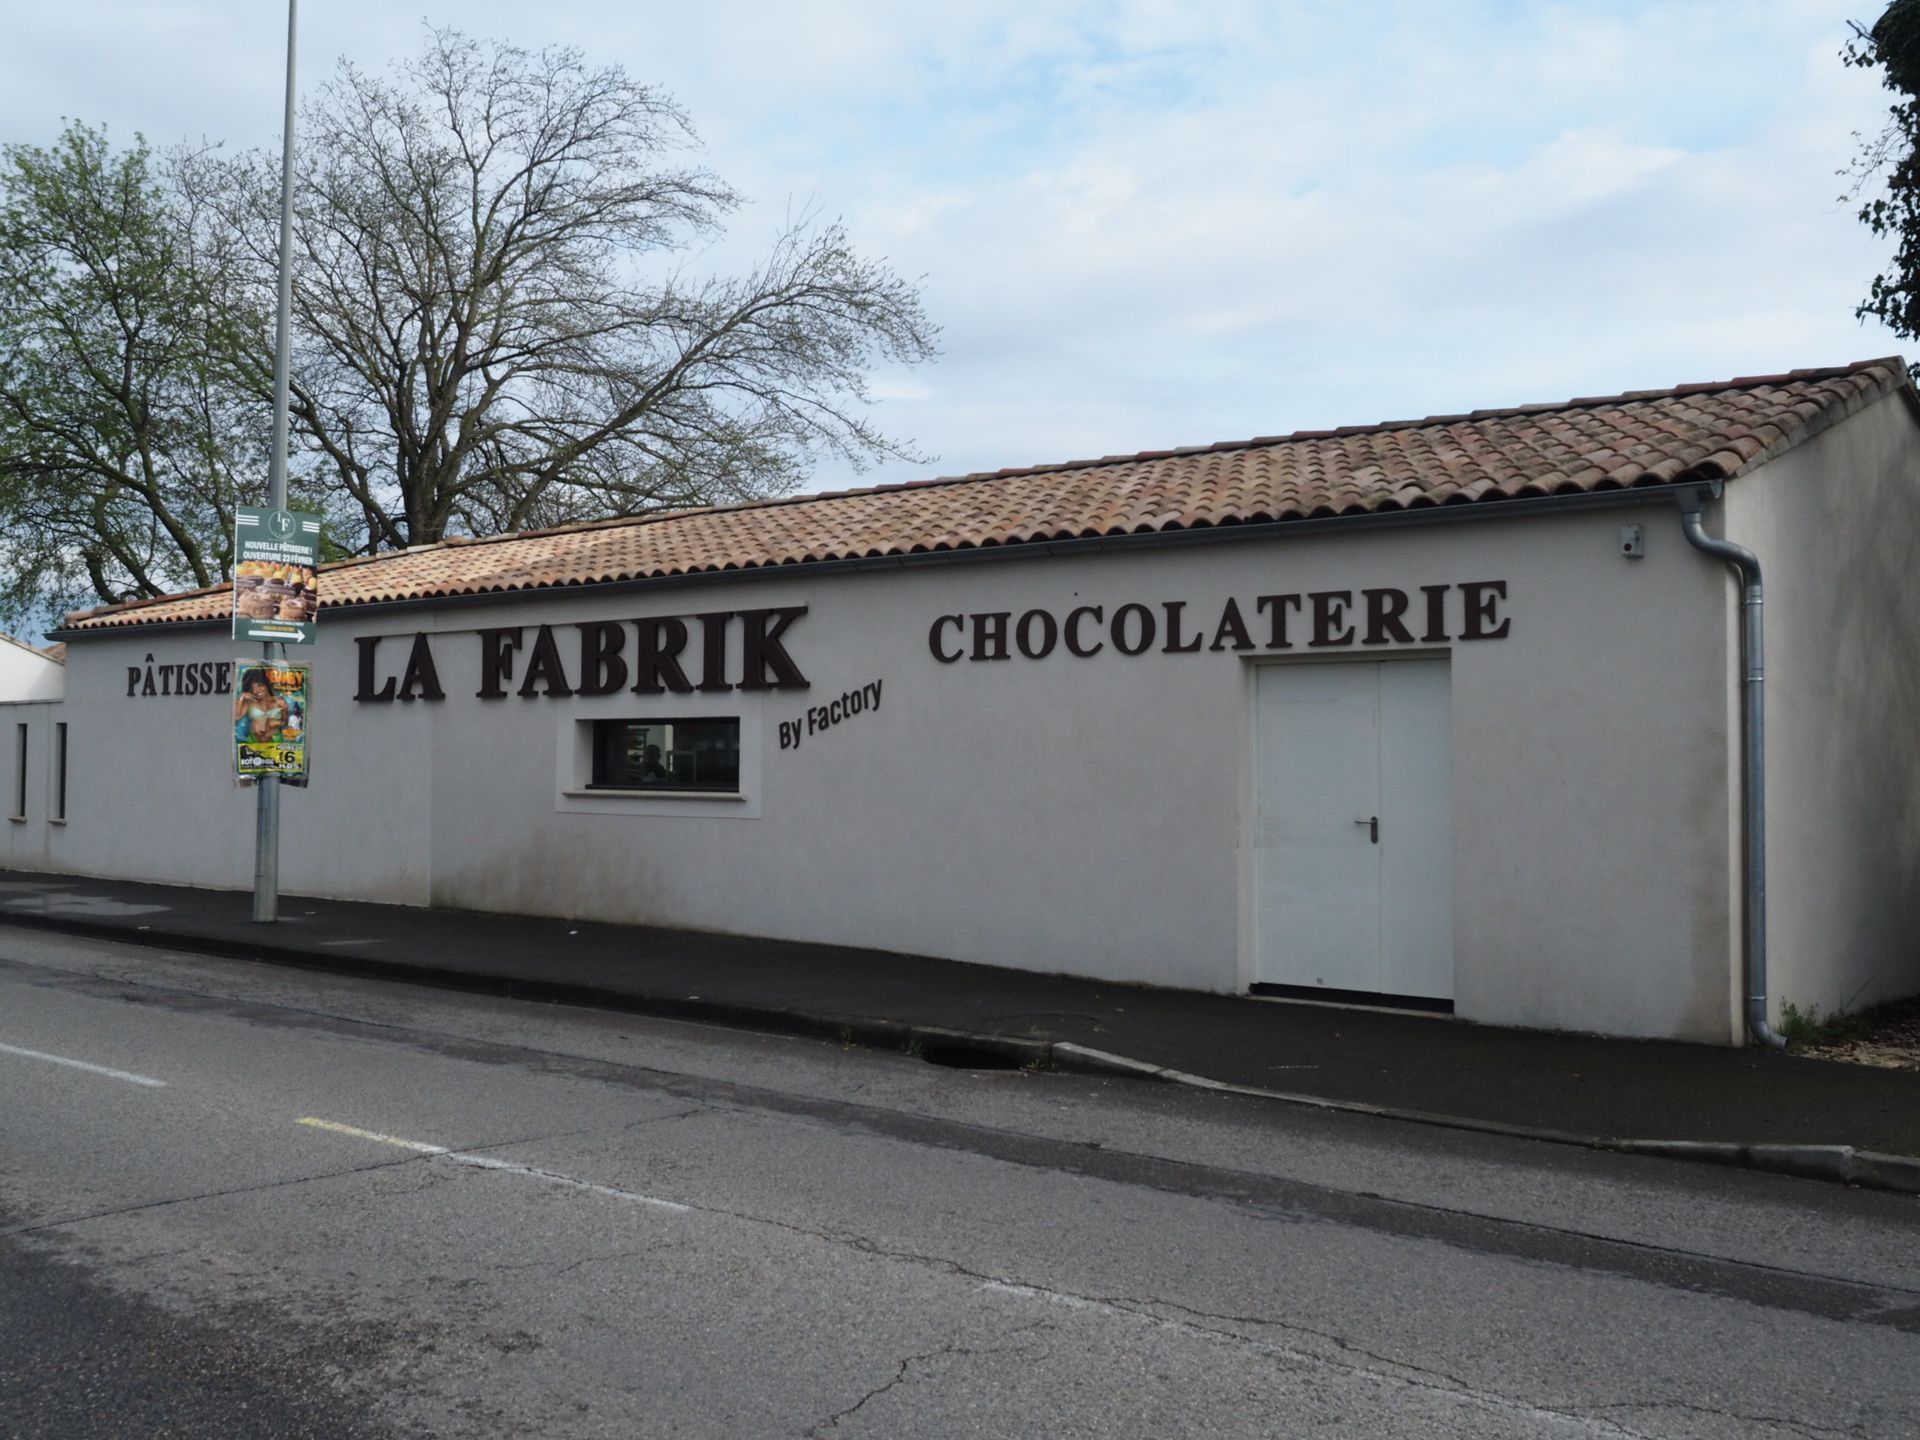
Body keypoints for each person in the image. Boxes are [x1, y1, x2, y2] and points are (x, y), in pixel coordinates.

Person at [234, 668, 288, 742]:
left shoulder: (279, 701)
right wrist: (241, 698)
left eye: (259, 685)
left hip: (275, 739)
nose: (255, 690)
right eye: (253, 687)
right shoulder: (249, 702)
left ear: (266, 684)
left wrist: (278, 722)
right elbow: (236, 717)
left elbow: (286, 723)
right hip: (253, 741)